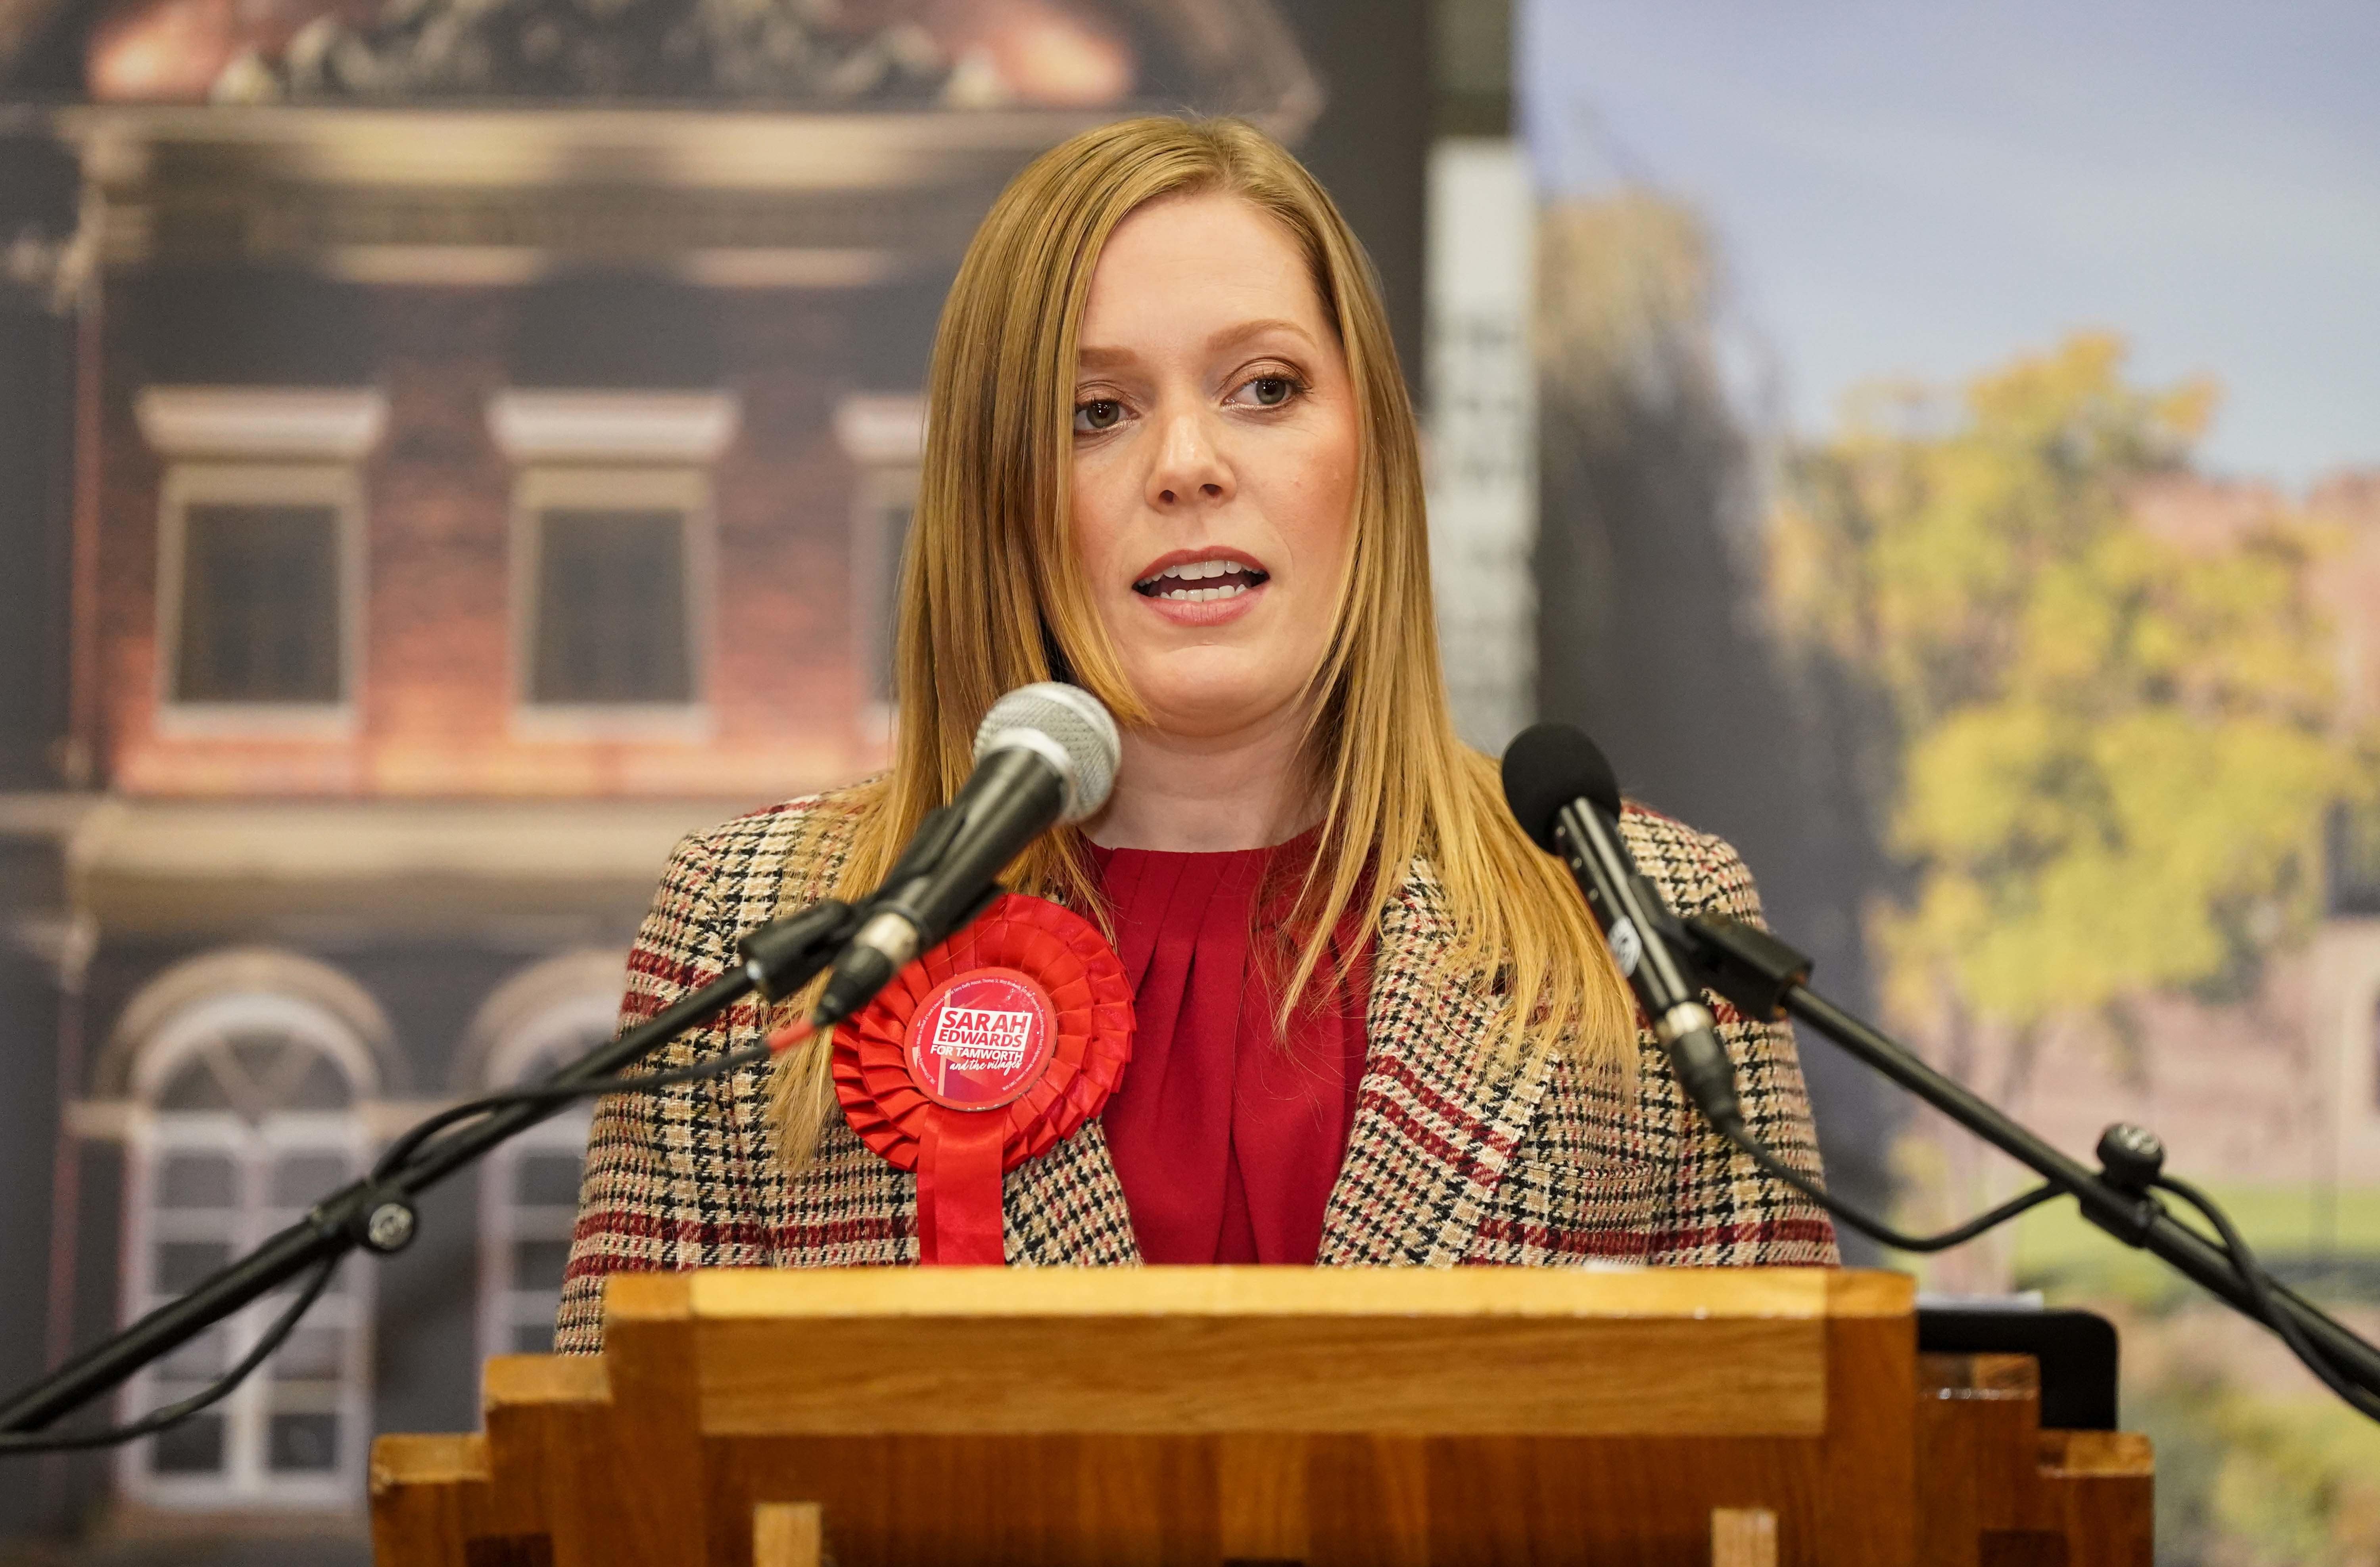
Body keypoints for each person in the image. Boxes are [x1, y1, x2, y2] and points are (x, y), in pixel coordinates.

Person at [554, 116, 1833, 1353]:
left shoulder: (1643, 924)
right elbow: (608, 1502)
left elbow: (1786, 1501)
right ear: (996, 499)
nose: (1188, 464)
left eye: (1265, 389)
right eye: (1094, 412)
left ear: (1375, 454)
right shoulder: (748, 933)